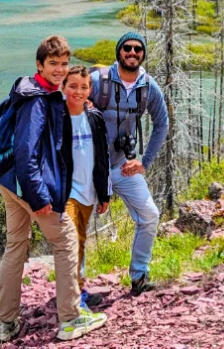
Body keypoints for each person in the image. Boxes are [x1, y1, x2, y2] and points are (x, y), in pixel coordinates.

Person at [0, 36, 108, 343]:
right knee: (66, 240)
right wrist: (39, 196)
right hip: (28, 185)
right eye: (53, 64)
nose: (59, 70)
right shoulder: (38, 101)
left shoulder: (33, 90)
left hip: (9, 182)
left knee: (16, 244)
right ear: (39, 65)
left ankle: (5, 323)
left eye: (64, 64)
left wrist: (80, 104)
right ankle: (70, 319)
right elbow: (28, 151)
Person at [90, 31, 169, 296]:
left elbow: (162, 124)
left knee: (149, 216)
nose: (132, 53)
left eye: (138, 49)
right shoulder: (96, 81)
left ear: (143, 54)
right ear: (118, 51)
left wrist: (144, 162)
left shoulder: (148, 87)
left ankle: (139, 277)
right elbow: (67, 109)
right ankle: (74, 291)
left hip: (123, 165)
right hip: (90, 169)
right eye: (127, 48)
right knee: (76, 225)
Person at [60, 65, 111, 311]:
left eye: (83, 87)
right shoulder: (57, 118)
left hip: (89, 192)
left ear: (90, 90)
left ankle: (78, 288)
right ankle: (72, 300)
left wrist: (104, 193)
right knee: (71, 241)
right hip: (66, 192)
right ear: (63, 88)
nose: (78, 91)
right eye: (72, 86)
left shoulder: (94, 117)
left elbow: (102, 158)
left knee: (80, 241)